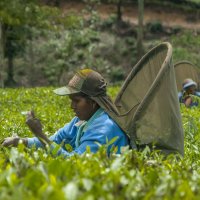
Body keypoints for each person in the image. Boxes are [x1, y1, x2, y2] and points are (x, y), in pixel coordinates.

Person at [2, 69, 129, 157]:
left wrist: (39, 134)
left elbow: (74, 162)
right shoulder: (81, 120)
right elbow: (56, 140)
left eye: (76, 101)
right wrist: (21, 141)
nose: (72, 106)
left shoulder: (103, 128)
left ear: (93, 102)